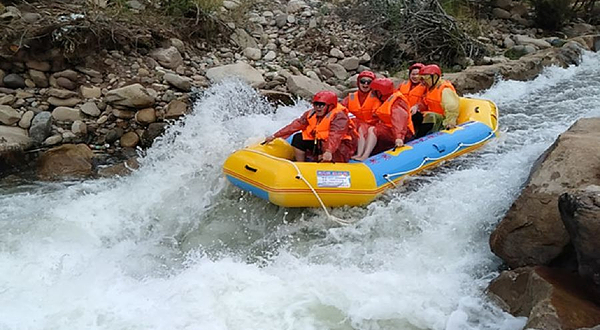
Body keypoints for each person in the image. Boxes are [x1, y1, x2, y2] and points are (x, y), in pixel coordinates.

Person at [263, 91, 358, 163]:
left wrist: (329, 151)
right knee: (298, 138)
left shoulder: (339, 116)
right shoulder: (311, 113)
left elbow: (336, 135)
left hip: (339, 146)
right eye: (316, 104)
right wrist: (274, 136)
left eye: (321, 105)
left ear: (330, 106)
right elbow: (295, 125)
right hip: (320, 142)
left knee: (326, 152)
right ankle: (301, 165)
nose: (318, 107)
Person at [352, 78, 414, 161]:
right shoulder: (385, 99)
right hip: (388, 129)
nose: (373, 93)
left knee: (373, 130)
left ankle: (365, 156)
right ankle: (361, 154)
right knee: (367, 129)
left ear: (381, 92)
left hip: (403, 132)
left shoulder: (397, 101)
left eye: (375, 91)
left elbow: (399, 120)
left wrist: (399, 137)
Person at [341, 70, 381, 160]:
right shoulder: (350, 97)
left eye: (369, 82)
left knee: (363, 128)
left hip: (371, 125)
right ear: (358, 83)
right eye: (363, 82)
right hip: (355, 125)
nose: (365, 84)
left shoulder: (376, 98)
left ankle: (362, 155)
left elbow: (379, 114)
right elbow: (341, 110)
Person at [418, 64, 460, 132]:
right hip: (433, 120)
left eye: (425, 79)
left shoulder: (445, 90)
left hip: (443, 121)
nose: (423, 82)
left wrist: (450, 122)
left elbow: (451, 107)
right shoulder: (430, 88)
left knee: (431, 116)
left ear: (434, 77)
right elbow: (425, 102)